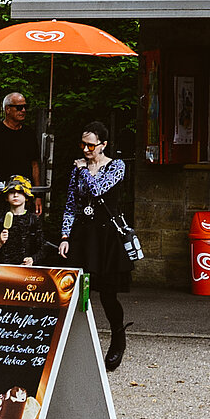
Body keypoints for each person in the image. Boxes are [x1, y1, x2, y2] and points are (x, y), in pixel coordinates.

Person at [58, 120, 130, 370]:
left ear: (103, 145)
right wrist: (65, 237)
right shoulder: (77, 169)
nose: (85, 150)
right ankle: (69, 346)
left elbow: (99, 190)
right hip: (82, 234)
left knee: (108, 294)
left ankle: (118, 339)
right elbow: (70, 205)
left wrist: (86, 170)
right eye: (83, 144)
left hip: (106, 236)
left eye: (90, 145)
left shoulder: (116, 166)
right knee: (72, 289)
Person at [0, 178, 42, 266]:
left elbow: (42, 247)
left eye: (20, 192)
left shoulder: (33, 219)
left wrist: (33, 259)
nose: (15, 195)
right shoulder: (0, 219)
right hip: (4, 269)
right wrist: (0, 242)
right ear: (6, 197)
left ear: (26, 197)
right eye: (11, 192)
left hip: (25, 269)